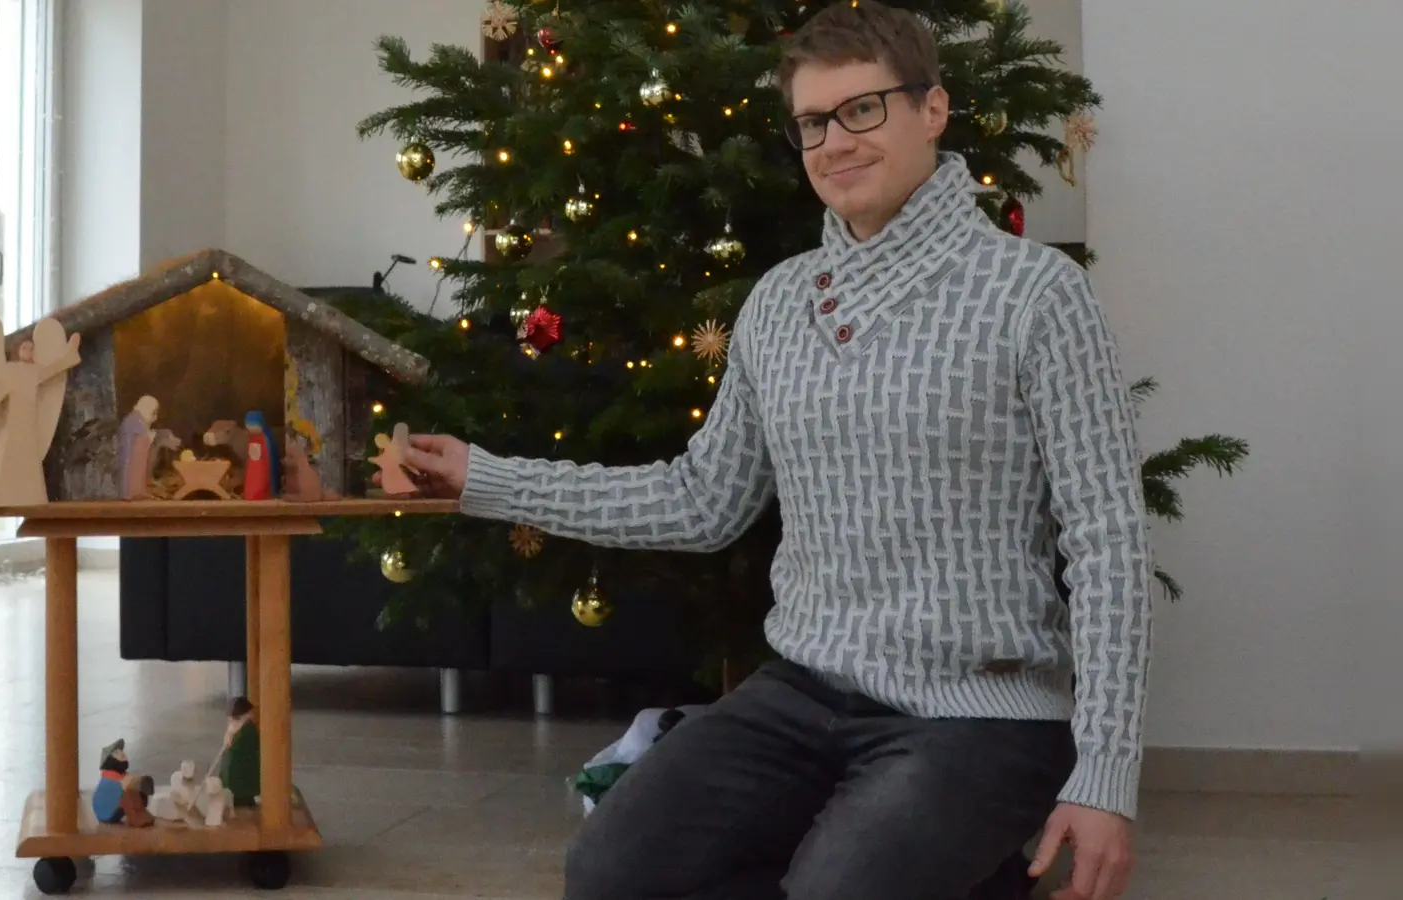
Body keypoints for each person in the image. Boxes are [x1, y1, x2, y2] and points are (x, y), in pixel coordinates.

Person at [397, 3, 1152, 898]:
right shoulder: (779, 304)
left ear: (933, 108)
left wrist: (1105, 777)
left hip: (977, 714)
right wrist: (484, 477)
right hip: (800, 693)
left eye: (863, 110)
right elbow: (702, 501)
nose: (835, 142)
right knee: (610, 866)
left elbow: (1109, 546)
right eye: (812, 123)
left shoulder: (1037, 297)